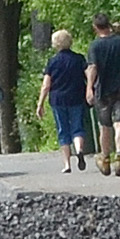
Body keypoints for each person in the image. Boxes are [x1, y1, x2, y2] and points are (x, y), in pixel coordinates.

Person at [87, 15, 120, 173]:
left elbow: (93, 68)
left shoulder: (95, 46)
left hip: (103, 91)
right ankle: (119, 157)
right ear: (109, 25)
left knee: (104, 126)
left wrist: (89, 88)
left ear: (95, 27)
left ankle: (105, 159)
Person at [42, 27, 92, 174]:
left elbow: (46, 85)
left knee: (63, 131)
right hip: (76, 97)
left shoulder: (52, 62)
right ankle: (79, 150)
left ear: (55, 44)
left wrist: (40, 104)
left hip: (58, 99)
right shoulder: (79, 59)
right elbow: (88, 74)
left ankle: (67, 164)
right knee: (77, 127)